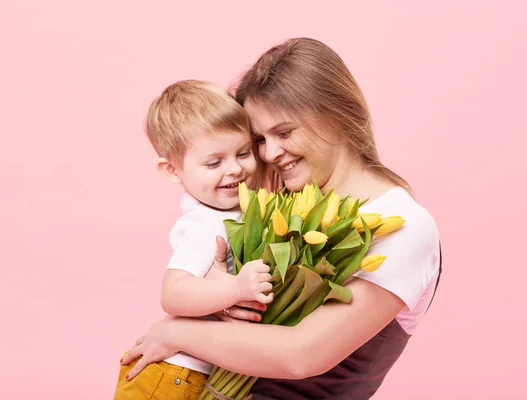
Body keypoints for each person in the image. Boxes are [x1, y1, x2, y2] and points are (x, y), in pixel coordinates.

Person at [121, 38, 442, 400]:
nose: (270, 153)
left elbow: (302, 355)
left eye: (285, 132)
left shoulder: (402, 224)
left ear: (334, 113)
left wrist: (175, 332)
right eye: (259, 139)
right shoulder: (282, 203)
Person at [113, 80, 274, 400]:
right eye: (214, 163)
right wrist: (235, 289)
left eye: (243, 153)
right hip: (172, 373)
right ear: (172, 170)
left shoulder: (236, 209)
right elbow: (173, 294)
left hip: (193, 372)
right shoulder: (205, 224)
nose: (235, 169)